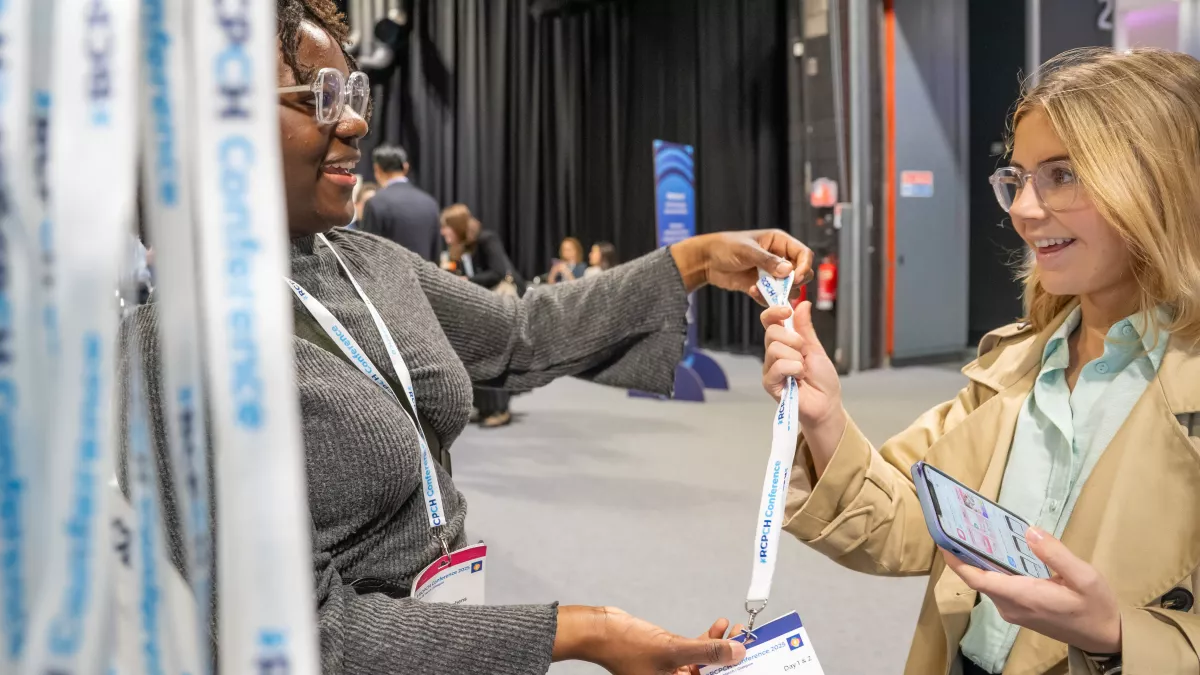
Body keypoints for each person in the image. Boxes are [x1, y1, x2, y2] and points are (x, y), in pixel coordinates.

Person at [120, 1, 813, 673]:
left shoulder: (364, 263)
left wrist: (690, 262)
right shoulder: (180, 349)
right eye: (319, 94)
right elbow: (301, 638)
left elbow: (519, 335)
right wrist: (583, 632)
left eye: (353, 89)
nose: (358, 118)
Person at [761, 47, 1200, 675]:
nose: (1022, 210)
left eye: (1064, 174)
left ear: (1163, 182)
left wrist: (1117, 637)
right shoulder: (1018, 362)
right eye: (1017, 178)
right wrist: (826, 418)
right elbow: (908, 522)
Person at [439, 203, 522, 428]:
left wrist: (466, 282)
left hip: (499, 306)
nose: (442, 232)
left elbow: (497, 272)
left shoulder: (486, 239)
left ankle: (499, 408)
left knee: (494, 355)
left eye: (446, 226)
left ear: (457, 226)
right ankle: (486, 406)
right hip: (483, 307)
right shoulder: (463, 246)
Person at [359, 144, 441, 261]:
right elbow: (435, 255)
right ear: (405, 167)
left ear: (377, 169)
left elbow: (367, 254)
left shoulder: (376, 203)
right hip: (424, 278)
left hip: (388, 278)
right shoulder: (430, 203)